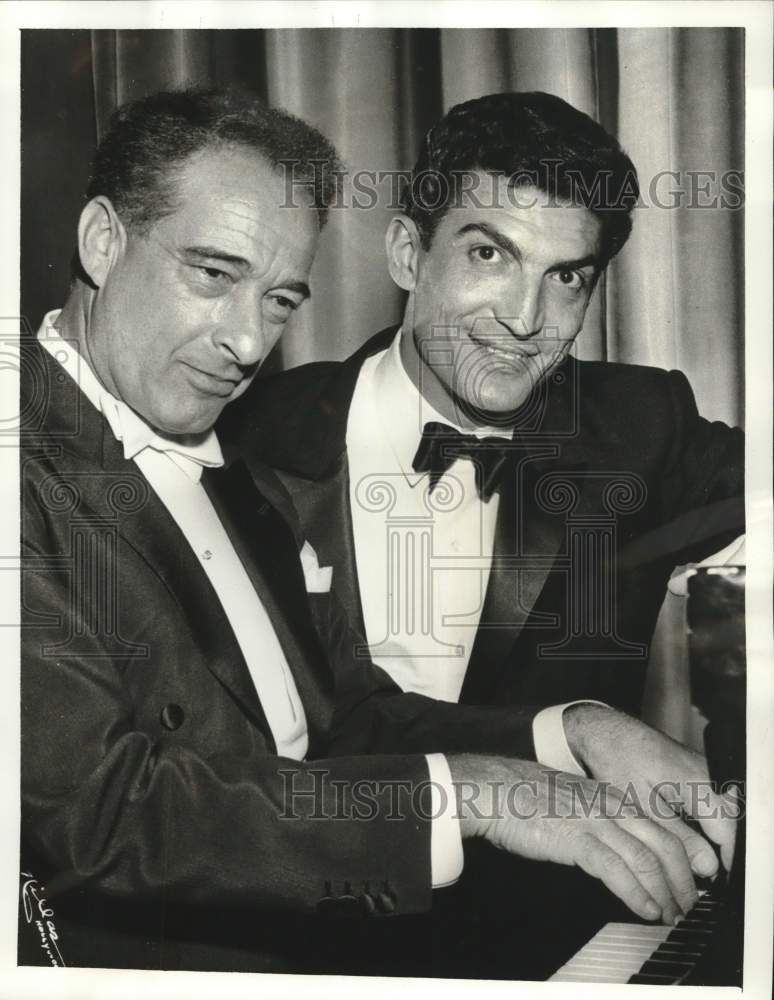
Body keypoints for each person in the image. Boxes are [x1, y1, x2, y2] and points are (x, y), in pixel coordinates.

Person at [21, 89, 736, 977]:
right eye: (212, 274)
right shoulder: (39, 454)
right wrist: (463, 791)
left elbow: (334, 718)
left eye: (280, 299)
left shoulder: (206, 455)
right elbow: (101, 812)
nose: (247, 343)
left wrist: (570, 733)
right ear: (102, 240)